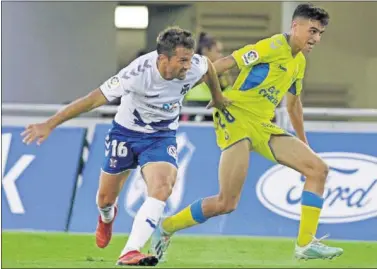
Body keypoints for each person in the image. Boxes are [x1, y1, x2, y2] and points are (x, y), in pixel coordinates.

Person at [21, 26, 230, 266]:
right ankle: (106, 217)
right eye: (182, 60)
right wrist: (50, 124)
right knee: (105, 198)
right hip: (125, 134)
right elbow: (92, 100)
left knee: (162, 186)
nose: (187, 66)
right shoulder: (136, 74)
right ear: (163, 59)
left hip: (161, 137)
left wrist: (218, 97)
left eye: (190, 59)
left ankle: (131, 250)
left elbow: (210, 67)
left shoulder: (194, 66)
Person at [150, 3, 344, 261]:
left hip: (263, 125)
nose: (316, 38)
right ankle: (166, 227)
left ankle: (306, 244)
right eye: (312, 31)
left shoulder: (298, 62)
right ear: (295, 26)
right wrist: (187, 91)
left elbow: (293, 104)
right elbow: (224, 64)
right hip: (236, 117)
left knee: (318, 169)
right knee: (226, 203)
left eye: (320, 33)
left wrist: (304, 142)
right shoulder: (272, 46)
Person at [182, 32, 232, 122]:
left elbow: (228, 91)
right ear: (206, 50)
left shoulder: (221, 71)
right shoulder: (194, 67)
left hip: (214, 107)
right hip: (196, 106)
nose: (221, 55)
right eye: (218, 51)